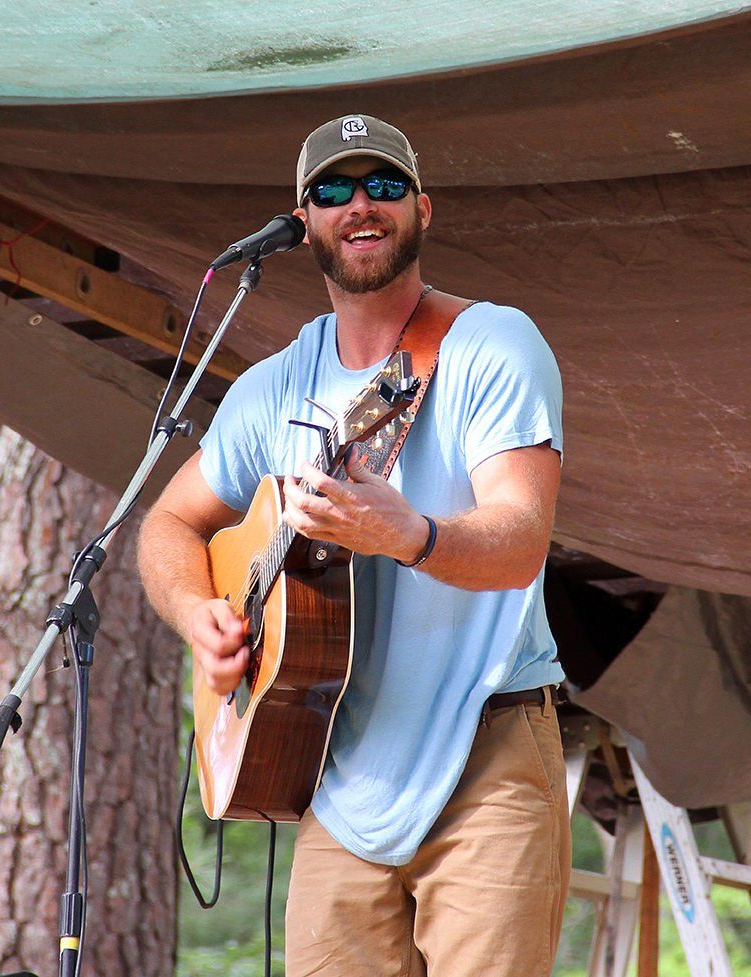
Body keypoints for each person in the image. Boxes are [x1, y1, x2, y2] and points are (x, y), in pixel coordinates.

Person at [137, 114, 570, 977]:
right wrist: (201, 617)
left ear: (423, 209)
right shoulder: (272, 387)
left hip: (486, 753)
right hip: (338, 774)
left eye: (384, 185)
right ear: (303, 221)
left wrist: (406, 533)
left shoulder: (491, 345)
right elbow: (165, 523)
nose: (361, 204)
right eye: (334, 189)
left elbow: (520, 540)